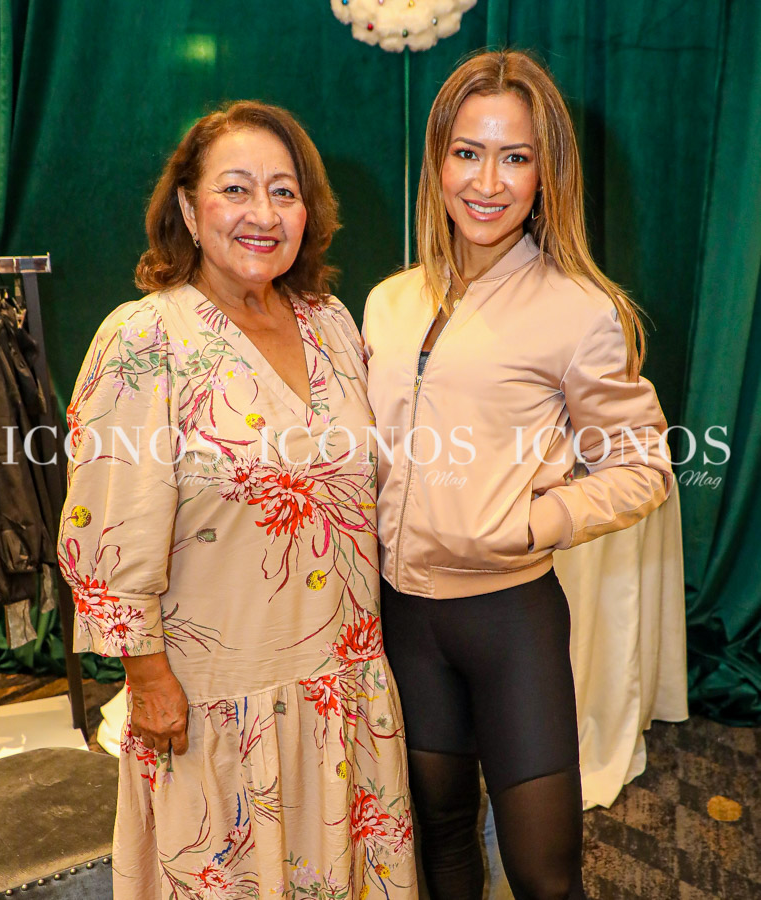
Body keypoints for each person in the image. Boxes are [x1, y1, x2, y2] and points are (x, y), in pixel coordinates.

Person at [58, 101, 417, 899]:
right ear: (188, 209)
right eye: (236, 189)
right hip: (217, 703)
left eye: (284, 192)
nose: (263, 213)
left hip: (345, 687)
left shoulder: (331, 324)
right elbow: (107, 526)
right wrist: (147, 677)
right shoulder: (145, 338)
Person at [362, 51, 672, 900]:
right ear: (438, 161)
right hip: (404, 618)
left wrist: (533, 524)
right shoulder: (388, 302)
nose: (488, 182)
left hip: (510, 621)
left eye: (515, 156)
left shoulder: (580, 310)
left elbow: (642, 466)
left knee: (544, 875)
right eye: (468, 152)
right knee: (441, 845)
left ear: (545, 174)